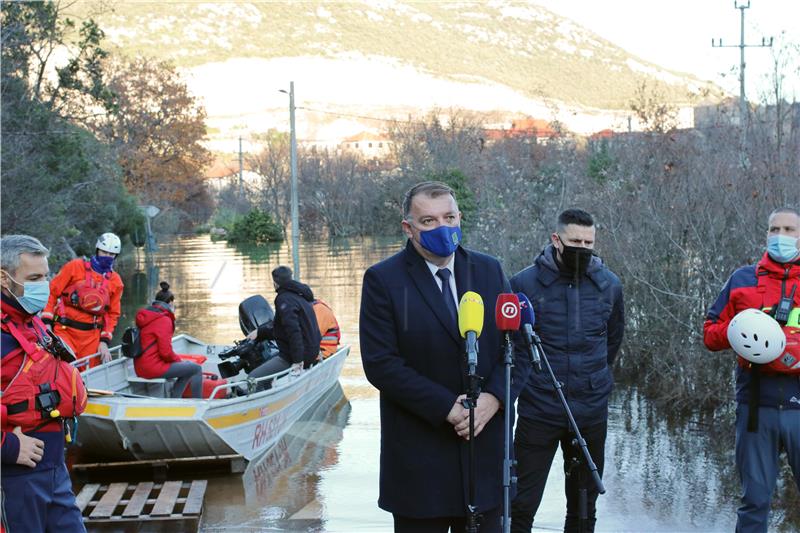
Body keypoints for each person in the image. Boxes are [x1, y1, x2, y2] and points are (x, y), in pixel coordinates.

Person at [359, 181, 531, 533]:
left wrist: (494, 399)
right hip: (421, 465)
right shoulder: (383, 280)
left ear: (460, 217)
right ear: (408, 228)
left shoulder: (489, 270)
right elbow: (381, 363)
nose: (443, 228)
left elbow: (519, 348)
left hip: (484, 460)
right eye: (429, 221)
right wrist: (447, 408)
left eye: (449, 217)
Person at [510, 208, 625, 533]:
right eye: (575, 240)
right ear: (556, 239)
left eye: (588, 242)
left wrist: (594, 380)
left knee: (584, 510)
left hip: (590, 412)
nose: (582, 248)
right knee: (519, 506)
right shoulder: (522, 284)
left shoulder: (609, 285)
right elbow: (512, 349)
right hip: (539, 411)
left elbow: (613, 340)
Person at [703, 207, 800, 533]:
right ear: (766, 234)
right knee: (755, 501)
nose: (781, 237)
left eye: (790, 230)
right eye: (775, 230)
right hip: (756, 407)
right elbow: (709, 335)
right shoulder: (742, 279)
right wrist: (740, 329)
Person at [1, 234, 88, 532]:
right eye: (35, 277)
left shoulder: (33, 323)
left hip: (54, 471)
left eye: (46, 276)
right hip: (13, 480)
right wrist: (7, 447)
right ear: (4, 279)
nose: (45, 285)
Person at [41, 233, 124, 369]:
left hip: (92, 337)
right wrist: (47, 324)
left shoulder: (116, 282)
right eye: (104, 252)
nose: (107, 257)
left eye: (111, 254)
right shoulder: (75, 267)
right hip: (64, 330)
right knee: (63, 370)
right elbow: (52, 292)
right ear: (97, 250)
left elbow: (112, 315)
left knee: (86, 377)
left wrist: (104, 342)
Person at [246, 266, 322, 383]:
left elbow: (293, 331)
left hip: (297, 356)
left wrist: (298, 361)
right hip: (312, 352)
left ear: (275, 283)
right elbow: (282, 328)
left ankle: (263, 397)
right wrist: (260, 332)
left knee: (251, 378)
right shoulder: (300, 296)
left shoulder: (283, 299)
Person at [134, 282, 202, 398]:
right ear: (169, 303)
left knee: (187, 368)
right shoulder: (164, 320)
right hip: (152, 367)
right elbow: (165, 352)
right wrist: (178, 360)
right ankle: (198, 403)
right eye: (173, 304)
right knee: (196, 368)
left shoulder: (148, 315)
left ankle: (175, 399)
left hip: (140, 367)